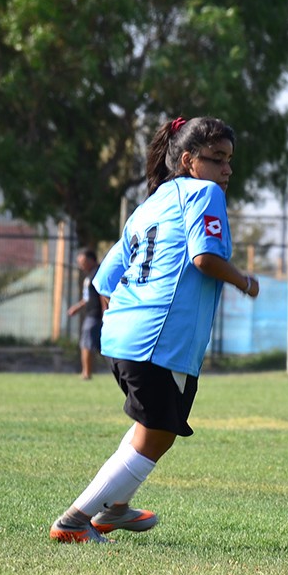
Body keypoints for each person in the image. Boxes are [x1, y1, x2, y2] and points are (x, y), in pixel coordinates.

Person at [50, 115, 259, 543]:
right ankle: (75, 521)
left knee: (153, 428)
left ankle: (117, 508)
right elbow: (204, 258)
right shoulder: (204, 194)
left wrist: (126, 321)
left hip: (124, 336)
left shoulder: (149, 205)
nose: (226, 171)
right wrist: (243, 279)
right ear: (187, 160)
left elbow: (104, 280)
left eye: (229, 161)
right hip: (161, 341)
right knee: (158, 435)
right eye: (217, 159)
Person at [67, 247, 104, 380]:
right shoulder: (89, 275)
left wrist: (105, 313)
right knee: (92, 344)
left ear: (92, 260)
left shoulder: (99, 273)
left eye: (83, 261)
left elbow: (103, 294)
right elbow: (87, 297)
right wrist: (77, 307)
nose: (81, 265)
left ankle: (86, 373)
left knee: (87, 343)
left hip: (96, 314)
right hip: (90, 313)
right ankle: (86, 372)